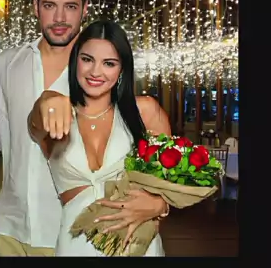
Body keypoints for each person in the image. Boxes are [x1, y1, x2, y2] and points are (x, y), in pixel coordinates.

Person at [0, 0, 169, 256]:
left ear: (85, 8)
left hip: (70, 229)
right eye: (49, 5)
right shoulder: (5, 65)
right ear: (35, 6)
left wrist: (160, 204)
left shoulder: (98, 73)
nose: (60, 18)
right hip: (8, 227)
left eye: (71, 7)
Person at [28, 19, 170, 256]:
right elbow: (34, 124)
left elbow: (170, 184)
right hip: (74, 248)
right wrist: (46, 98)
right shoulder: (57, 114)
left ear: (122, 69)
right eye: (87, 59)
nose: (95, 72)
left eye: (109, 63)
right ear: (75, 61)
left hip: (136, 248)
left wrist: (160, 205)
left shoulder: (145, 112)